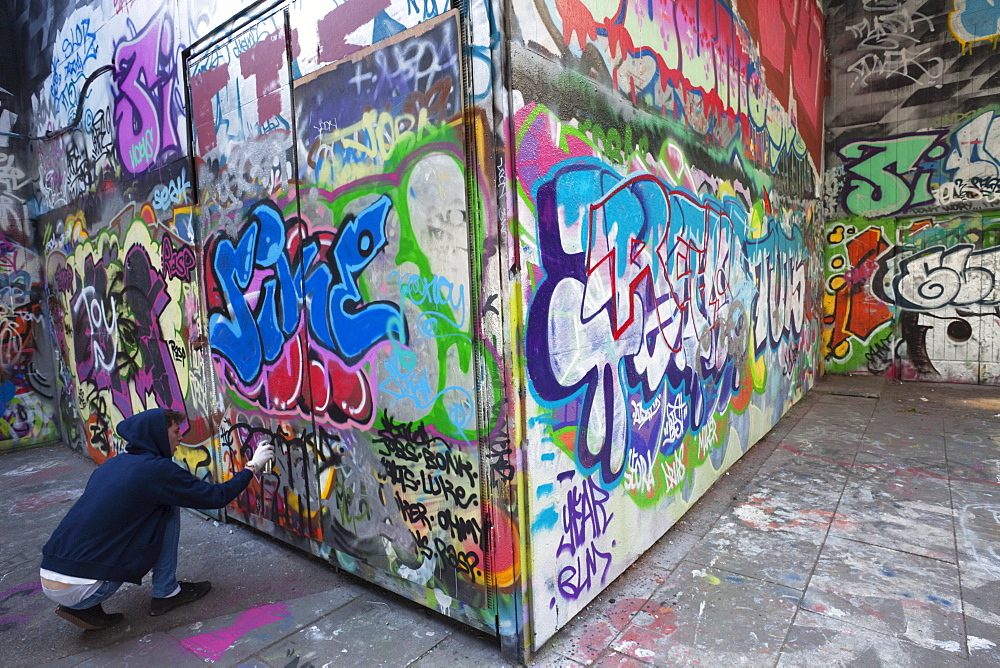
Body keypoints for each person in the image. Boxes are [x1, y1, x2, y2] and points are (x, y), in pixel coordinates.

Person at [40, 408, 273, 630]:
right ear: (158, 435)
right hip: (81, 589)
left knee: (161, 506)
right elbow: (215, 497)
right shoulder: (158, 470)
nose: (181, 438)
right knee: (168, 506)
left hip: (50, 573)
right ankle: (166, 592)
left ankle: (86, 606)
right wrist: (252, 467)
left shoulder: (112, 465)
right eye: (175, 432)